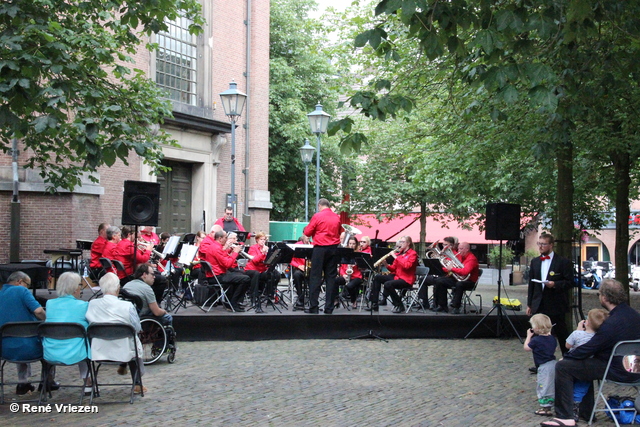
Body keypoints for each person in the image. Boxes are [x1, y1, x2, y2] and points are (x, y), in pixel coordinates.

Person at [540, 279, 640, 427]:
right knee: (584, 365)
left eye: (599, 294)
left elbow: (589, 348)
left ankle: (566, 416)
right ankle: (585, 412)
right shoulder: (635, 316)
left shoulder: (611, 323)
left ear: (604, 298)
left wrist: (566, 357)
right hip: (636, 369)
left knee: (564, 367)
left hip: (616, 369)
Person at [85, 272, 146, 394]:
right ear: (118, 288)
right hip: (124, 351)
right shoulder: (127, 306)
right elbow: (137, 327)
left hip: (99, 351)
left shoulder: (92, 304)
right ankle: (137, 382)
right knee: (134, 340)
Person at [0, 271, 48, 395]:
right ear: (20, 282)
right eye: (28, 285)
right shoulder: (22, 291)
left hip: (5, 349)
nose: (28, 288)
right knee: (49, 344)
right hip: (29, 347)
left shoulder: (0, 293)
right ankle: (46, 382)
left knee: (18, 337)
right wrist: (46, 319)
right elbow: (38, 311)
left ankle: (22, 382)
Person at [43, 272, 91, 392]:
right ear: (75, 289)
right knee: (83, 341)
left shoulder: (50, 304)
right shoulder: (83, 305)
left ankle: (48, 379)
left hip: (51, 351)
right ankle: (88, 383)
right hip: (77, 352)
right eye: (80, 285)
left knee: (78, 339)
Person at [527, 232, 574, 353]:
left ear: (551, 245)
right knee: (537, 333)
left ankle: (567, 359)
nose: (541, 246)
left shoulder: (563, 262)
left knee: (561, 331)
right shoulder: (535, 262)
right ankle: (540, 361)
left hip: (556, 303)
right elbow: (531, 284)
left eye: (544, 244)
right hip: (539, 303)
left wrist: (555, 284)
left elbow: (570, 282)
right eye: (539, 244)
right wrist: (529, 304)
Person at [564, 308, 609, 422]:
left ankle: (572, 405)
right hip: (589, 365)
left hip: (574, 363)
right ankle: (579, 405)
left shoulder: (577, 334)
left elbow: (568, 346)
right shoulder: (599, 337)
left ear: (587, 322)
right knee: (583, 385)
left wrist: (579, 330)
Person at [303, 198, 342, 314]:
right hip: (333, 249)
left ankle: (314, 307)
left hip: (320, 249)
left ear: (319, 205)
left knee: (315, 277)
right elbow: (340, 232)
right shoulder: (336, 217)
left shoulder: (317, 216)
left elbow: (308, 232)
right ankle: (329, 308)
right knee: (331, 278)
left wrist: (306, 236)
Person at [198, 229, 250, 312]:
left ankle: (232, 302)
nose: (226, 239)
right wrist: (235, 252)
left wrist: (229, 251)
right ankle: (233, 303)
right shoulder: (216, 248)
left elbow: (224, 259)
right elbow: (227, 264)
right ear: (220, 238)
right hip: (217, 276)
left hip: (215, 275)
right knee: (245, 278)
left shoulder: (215, 246)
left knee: (240, 275)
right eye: (225, 237)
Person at [367, 236, 418, 313]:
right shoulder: (399, 253)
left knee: (388, 284)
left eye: (402, 242)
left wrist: (395, 256)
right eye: (400, 242)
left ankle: (399, 305)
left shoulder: (412, 254)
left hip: (406, 279)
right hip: (397, 277)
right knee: (377, 277)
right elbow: (393, 268)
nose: (400, 243)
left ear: (408, 243)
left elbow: (407, 266)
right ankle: (374, 304)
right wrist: (386, 264)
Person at [432, 241, 480, 314]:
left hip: (469, 281)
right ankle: (442, 305)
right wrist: (445, 267)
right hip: (458, 279)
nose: (459, 251)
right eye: (458, 249)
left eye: (461, 249)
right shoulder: (460, 257)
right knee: (439, 281)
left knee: (459, 284)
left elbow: (465, 271)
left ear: (467, 249)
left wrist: (452, 269)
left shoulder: (471, 259)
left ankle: (456, 306)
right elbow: (452, 268)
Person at [524, 313, 557, 417]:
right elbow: (554, 349)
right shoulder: (552, 339)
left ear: (536, 328)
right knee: (552, 384)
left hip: (543, 366)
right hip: (553, 364)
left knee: (544, 385)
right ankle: (552, 403)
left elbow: (527, 348)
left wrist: (528, 336)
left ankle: (546, 408)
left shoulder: (536, 340)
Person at [418, 236, 459, 308]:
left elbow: (452, 268)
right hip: (440, 275)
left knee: (439, 282)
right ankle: (424, 303)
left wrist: (441, 267)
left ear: (451, 245)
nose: (444, 246)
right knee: (422, 279)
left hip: (449, 277)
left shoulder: (455, 255)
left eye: (446, 245)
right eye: (443, 244)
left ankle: (439, 305)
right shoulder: (443, 254)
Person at [244, 232, 277, 313]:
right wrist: (262, 253)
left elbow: (268, 261)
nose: (263, 241)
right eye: (261, 239)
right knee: (256, 274)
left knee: (275, 274)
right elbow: (255, 261)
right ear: (257, 240)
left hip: (262, 270)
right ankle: (254, 298)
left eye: (264, 240)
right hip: (252, 269)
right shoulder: (253, 248)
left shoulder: (267, 248)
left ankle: (270, 295)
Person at [335, 236, 364, 309]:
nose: (352, 245)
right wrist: (343, 274)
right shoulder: (345, 253)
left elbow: (363, 267)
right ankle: (336, 299)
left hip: (356, 276)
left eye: (354, 244)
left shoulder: (359, 254)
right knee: (335, 281)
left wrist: (356, 264)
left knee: (350, 286)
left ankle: (353, 300)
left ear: (356, 245)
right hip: (346, 275)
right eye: (350, 243)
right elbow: (341, 267)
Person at [291, 235, 311, 310]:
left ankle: (312, 298)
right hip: (300, 269)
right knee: (297, 275)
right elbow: (291, 259)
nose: (308, 238)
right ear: (303, 235)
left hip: (310, 269)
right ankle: (300, 297)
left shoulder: (312, 244)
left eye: (309, 237)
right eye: (307, 236)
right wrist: (298, 265)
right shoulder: (297, 245)